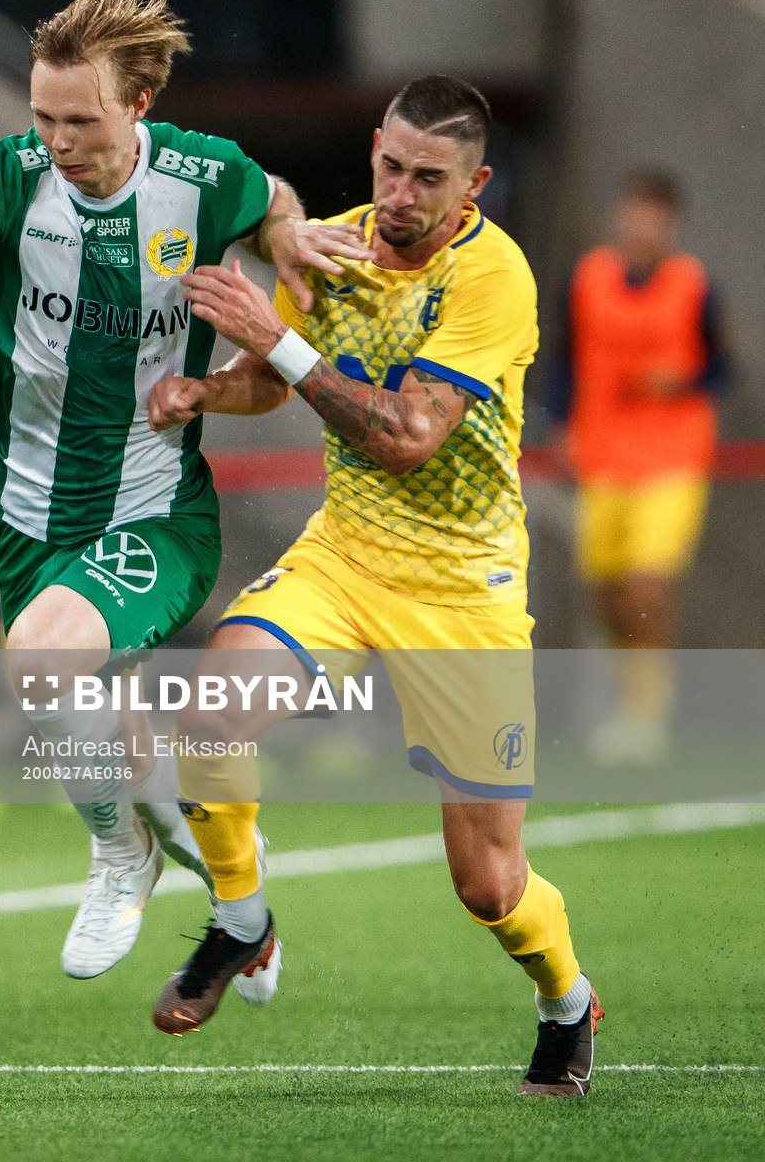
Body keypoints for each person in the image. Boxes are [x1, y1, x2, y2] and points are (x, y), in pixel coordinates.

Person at [0, 0, 364, 981]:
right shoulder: (8, 176)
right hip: (26, 512)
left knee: (41, 667)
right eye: (44, 116)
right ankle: (234, 891)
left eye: (82, 120)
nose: (58, 139)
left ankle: (119, 852)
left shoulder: (198, 175)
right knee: (90, 715)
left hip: (154, 508)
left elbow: (270, 203)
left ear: (140, 104)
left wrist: (289, 242)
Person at [148, 76, 600, 1096]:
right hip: (346, 556)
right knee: (209, 717)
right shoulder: (335, 242)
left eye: (427, 177)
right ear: (372, 151)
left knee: (488, 883)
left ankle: (567, 999)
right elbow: (277, 376)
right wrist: (207, 389)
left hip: (463, 590)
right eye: (388, 166)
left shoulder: (495, 279)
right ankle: (242, 919)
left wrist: (276, 340)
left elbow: (406, 435)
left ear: (475, 183)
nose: (399, 192)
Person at [551, 171, 728, 763]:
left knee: (646, 583)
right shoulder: (588, 279)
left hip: (672, 456)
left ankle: (648, 716)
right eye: (631, 213)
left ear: (670, 224)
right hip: (601, 455)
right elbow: (566, 359)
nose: (639, 227)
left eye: (652, 217)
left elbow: (724, 367)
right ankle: (628, 708)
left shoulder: (693, 285)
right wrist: (561, 425)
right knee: (607, 593)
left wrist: (683, 381)